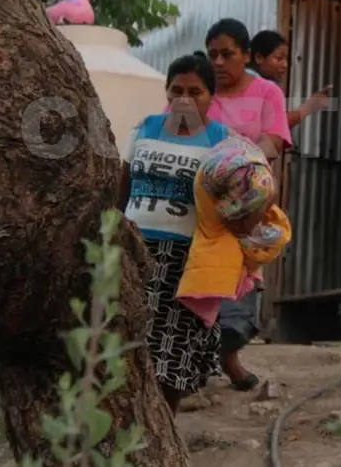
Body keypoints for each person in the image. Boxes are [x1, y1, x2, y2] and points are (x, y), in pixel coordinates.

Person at [116, 53, 232, 414]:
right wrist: (114, 229)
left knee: (172, 349)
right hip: (136, 250)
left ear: (211, 96)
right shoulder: (146, 127)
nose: (184, 99)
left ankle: (165, 425)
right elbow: (123, 182)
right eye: (176, 90)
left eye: (194, 92)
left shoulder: (222, 140)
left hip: (185, 258)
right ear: (166, 91)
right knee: (128, 341)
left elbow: (236, 197)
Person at [202, 17, 293, 390]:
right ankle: (212, 364)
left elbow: (274, 142)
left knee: (240, 279)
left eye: (227, 54)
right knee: (203, 278)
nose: (218, 62)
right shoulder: (200, 91)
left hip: (247, 199)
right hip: (203, 199)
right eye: (212, 55)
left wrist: (237, 163)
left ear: (246, 55)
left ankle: (229, 355)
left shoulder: (267, 93)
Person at [177, 137, 292, 330]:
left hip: (201, 273)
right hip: (221, 283)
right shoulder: (244, 233)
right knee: (230, 329)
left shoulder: (210, 187)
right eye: (261, 209)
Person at [247, 29, 332, 128]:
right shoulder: (252, 83)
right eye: (279, 58)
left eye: (286, 59)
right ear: (259, 58)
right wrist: (309, 106)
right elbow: (277, 124)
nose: (285, 65)